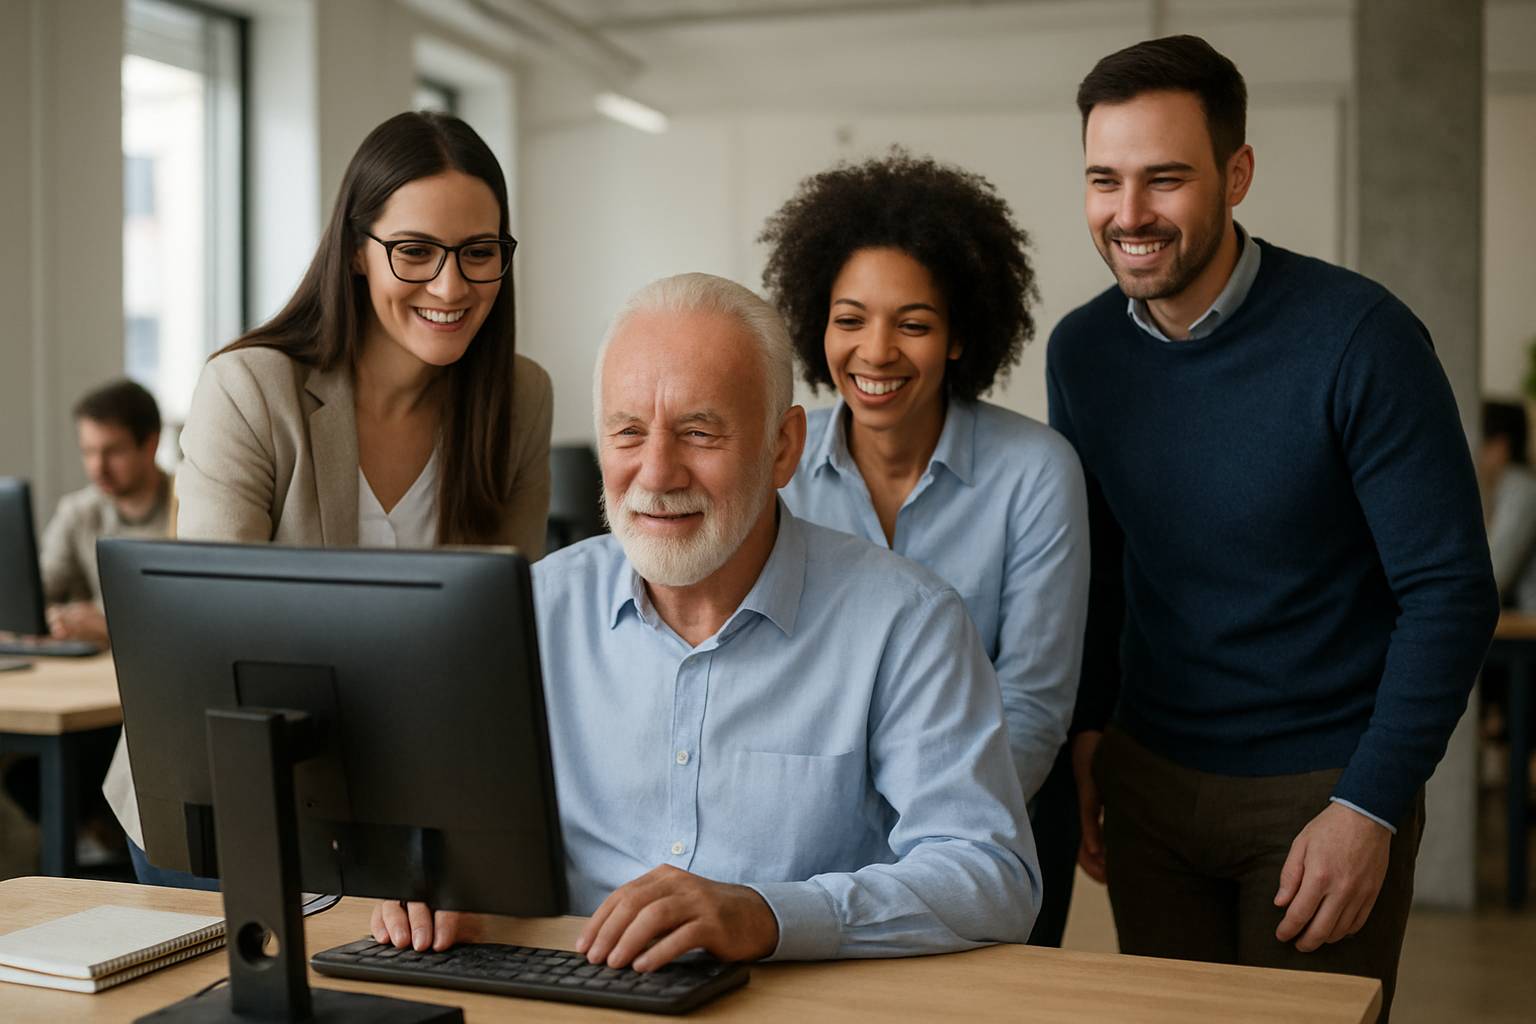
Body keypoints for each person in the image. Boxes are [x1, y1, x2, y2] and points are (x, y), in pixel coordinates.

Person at [374, 273, 1040, 970]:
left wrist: (769, 914)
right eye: (628, 432)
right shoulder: (533, 611)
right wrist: (422, 876)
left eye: (699, 432)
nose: (656, 474)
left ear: (784, 448)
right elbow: (436, 829)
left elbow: (992, 876)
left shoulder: (908, 623)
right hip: (568, 994)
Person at [1045, 34, 1498, 1017]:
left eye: (1165, 178)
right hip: (1151, 784)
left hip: (1319, 787)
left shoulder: (1360, 339)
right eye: (1103, 180)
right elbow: (1104, 565)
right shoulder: (1082, 352)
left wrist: (1370, 803)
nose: (1129, 214)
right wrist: (1088, 729)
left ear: (1237, 172)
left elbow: (1450, 590)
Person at [104, 110, 554, 889]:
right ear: (356, 250)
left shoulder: (519, 398)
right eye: (414, 252)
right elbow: (209, 648)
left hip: (416, 802)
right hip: (237, 792)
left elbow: (511, 642)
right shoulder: (252, 388)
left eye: (479, 253)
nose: (451, 286)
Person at [760, 151, 1088, 946]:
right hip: (815, 858)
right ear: (816, 325)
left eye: (913, 323)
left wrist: (933, 844)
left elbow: (1034, 708)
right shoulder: (778, 472)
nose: (875, 352)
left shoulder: (1036, 473)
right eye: (849, 318)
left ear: (959, 337)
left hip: (990, 849)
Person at [38, 378, 172, 647]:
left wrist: (113, 628)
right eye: (88, 451)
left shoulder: (188, 510)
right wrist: (56, 618)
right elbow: (36, 592)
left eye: (113, 452)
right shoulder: (78, 512)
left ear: (150, 444)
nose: (98, 467)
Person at [1480, 400, 1536, 610]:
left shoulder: (1521, 491)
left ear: (1499, 447)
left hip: (1527, 629)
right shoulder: (1511, 489)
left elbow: (1494, 574)